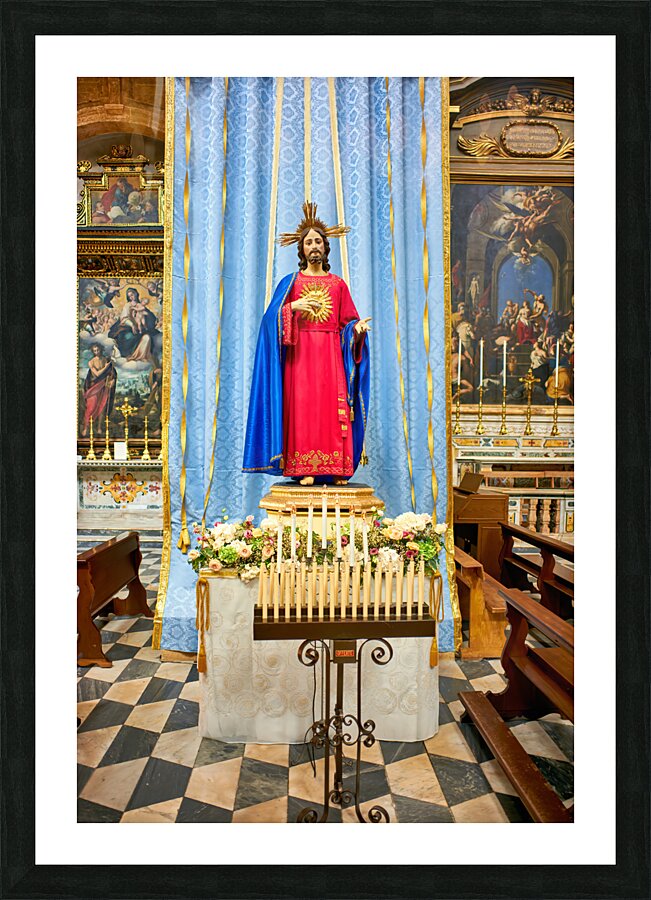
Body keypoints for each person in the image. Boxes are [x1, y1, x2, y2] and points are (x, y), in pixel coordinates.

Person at [243, 202, 370, 486]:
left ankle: (337, 468)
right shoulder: (291, 283)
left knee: (331, 412)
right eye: (308, 242)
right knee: (303, 412)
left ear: (326, 248)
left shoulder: (338, 285)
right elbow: (269, 322)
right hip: (299, 359)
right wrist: (292, 307)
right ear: (301, 250)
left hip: (330, 358)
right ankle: (305, 468)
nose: (314, 246)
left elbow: (347, 322)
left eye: (318, 241)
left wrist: (357, 331)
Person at [81, 343, 116, 435]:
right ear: (92, 351)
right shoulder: (91, 362)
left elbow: (111, 373)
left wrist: (112, 380)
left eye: (98, 350)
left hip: (104, 387)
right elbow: (97, 374)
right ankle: (86, 427)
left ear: (101, 349)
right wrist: (106, 366)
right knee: (90, 407)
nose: (97, 352)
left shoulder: (105, 360)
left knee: (102, 407)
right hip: (93, 387)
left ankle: (99, 427)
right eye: (94, 350)